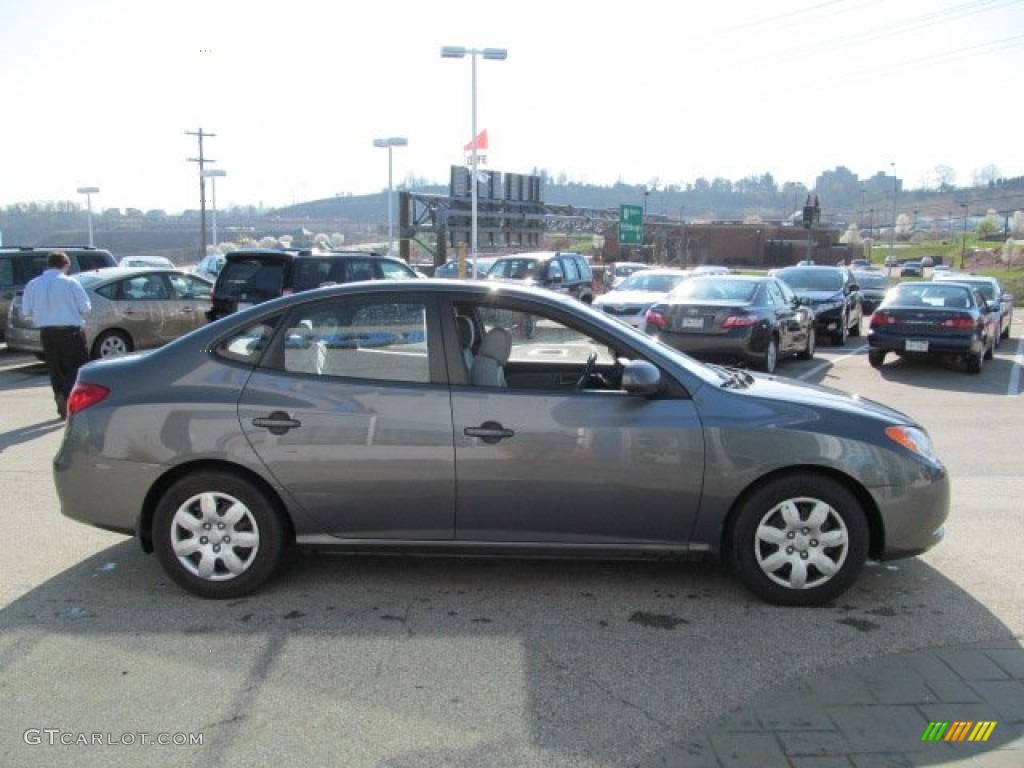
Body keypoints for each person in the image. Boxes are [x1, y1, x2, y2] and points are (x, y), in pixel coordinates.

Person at [21, 250, 92, 419]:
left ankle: (59, 394)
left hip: (47, 332)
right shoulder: (70, 283)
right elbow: (86, 308)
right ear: (65, 265)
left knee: (55, 368)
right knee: (76, 367)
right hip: (71, 331)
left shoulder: (33, 284)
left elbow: (26, 311)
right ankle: (68, 395)